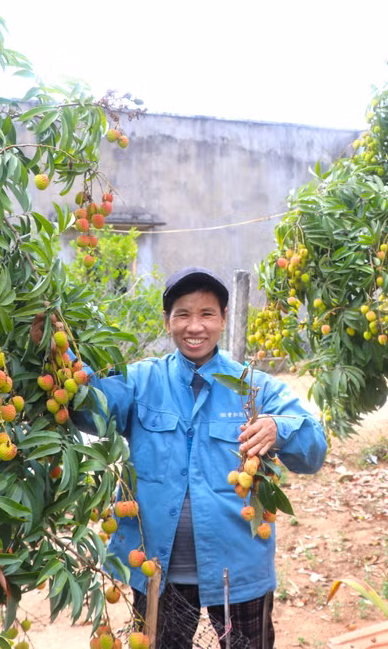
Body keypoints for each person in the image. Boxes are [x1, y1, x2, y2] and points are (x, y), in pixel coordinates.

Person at [73, 267, 327, 648]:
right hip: (157, 571)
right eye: (183, 315)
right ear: (167, 321)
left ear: (223, 318)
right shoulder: (142, 381)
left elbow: (315, 448)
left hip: (238, 571)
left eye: (207, 314)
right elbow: (86, 405)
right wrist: (60, 352)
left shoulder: (254, 388)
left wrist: (279, 427)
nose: (195, 326)